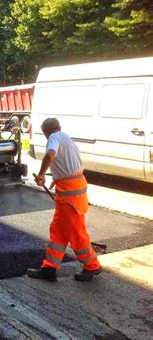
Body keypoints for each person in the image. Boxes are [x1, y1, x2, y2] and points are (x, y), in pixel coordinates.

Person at [27, 118, 102, 282]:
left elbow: (50, 154)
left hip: (70, 194)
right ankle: (49, 269)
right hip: (73, 192)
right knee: (59, 231)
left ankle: (92, 265)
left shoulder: (54, 138)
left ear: (47, 132)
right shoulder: (67, 138)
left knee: (76, 233)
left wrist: (41, 174)